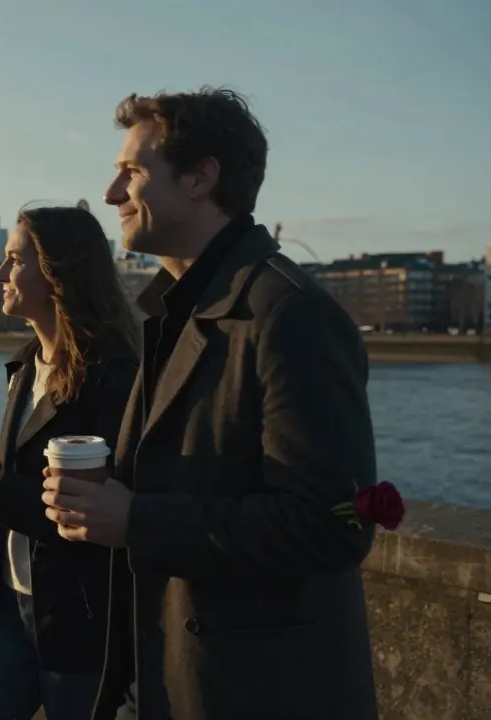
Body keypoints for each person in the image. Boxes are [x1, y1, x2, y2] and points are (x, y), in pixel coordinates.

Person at [40, 87, 380, 719]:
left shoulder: (290, 315)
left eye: (133, 173)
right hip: (164, 682)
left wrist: (135, 520)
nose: (113, 195)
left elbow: (331, 526)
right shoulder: (175, 309)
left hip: (252, 693)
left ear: (201, 178)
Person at [0, 204, 142, 720]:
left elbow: (95, 510)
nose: (1, 274)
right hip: (6, 605)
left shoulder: (115, 375)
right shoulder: (27, 363)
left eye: (13, 260)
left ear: (57, 272)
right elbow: (20, 480)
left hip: (78, 616)